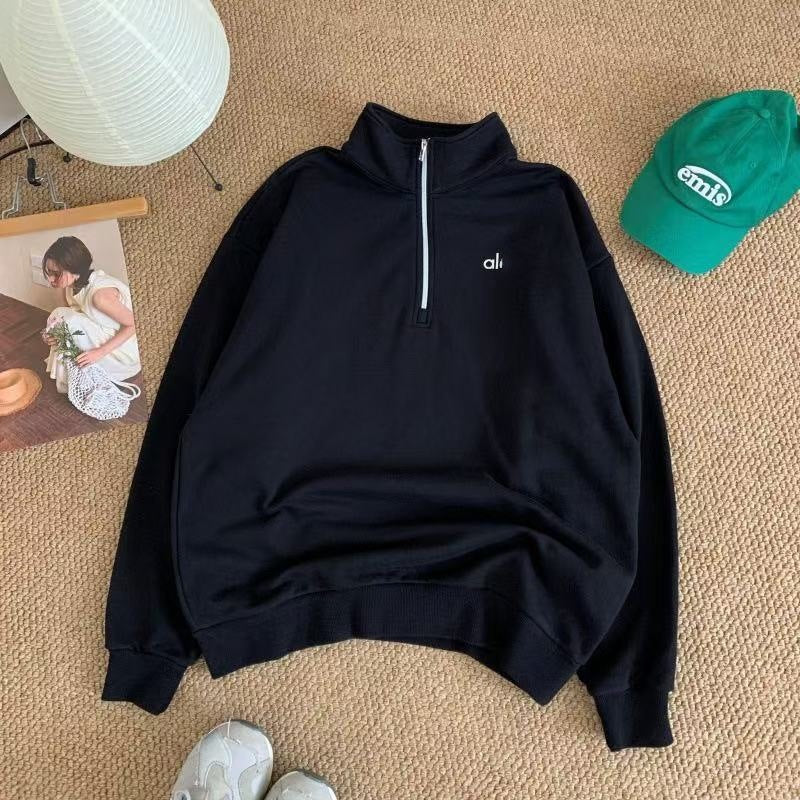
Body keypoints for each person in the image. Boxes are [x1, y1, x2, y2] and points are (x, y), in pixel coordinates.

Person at [40, 236, 141, 393]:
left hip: (125, 350)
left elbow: (135, 324)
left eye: (56, 273)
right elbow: (68, 317)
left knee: (62, 317)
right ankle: (73, 375)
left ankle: (82, 377)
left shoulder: (100, 296)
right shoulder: (71, 285)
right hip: (103, 333)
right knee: (60, 317)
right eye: (49, 272)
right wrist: (53, 334)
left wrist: (99, 353)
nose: (51, 280)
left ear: (75, 270)